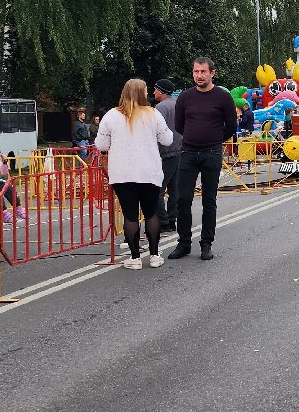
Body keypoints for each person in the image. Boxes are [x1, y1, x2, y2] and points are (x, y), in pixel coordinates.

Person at [96, 78, 174, 270]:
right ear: (142, 93)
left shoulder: (111, 115)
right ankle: (155, 256)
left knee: (130, 215)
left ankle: (135, 258)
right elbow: (167, 140)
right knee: (151, 213)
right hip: (149, 172)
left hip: (122, 173)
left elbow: (101, 145)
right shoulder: (153, 114)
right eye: (146, 90)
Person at [168, 57, 238, 262]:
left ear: (212, 73)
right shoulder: (185, 97)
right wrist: (194, 137)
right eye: (196, 71)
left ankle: (206, 243)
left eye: (203, 72)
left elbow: (231, 126)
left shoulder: (223, 97)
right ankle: (184, 243)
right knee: (183, 199)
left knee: (209, 200)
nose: (199, 75)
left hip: (212, 153)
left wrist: (214, 139)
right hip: (188, 153)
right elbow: (179, 125)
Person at [152, 78, 181, 233]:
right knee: (174, 189)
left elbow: (155, 130)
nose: (153, 92)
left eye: (155, 89)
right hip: (179, 150)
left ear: (161, 91)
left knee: (157, 188)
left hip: (165, 152)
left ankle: (163, 222)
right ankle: (172, 220)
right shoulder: (177, 104)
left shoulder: (160, 108)